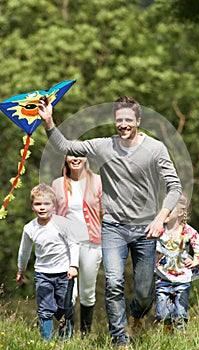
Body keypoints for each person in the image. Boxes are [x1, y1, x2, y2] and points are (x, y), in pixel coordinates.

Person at [38, 95, 182, 348]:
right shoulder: (103, 146)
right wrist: (49, 121)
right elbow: (64, 147)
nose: (123, 124)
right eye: (119, 120)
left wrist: (161, 218)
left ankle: (137, 314)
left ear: (138, 120)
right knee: (114, 282)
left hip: (146, 229)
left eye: (128, 120)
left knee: (144, 292)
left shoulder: (156, 149)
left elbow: (174, 187)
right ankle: (120, 339)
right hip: (113, 226)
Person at [16, 184, 79, 342]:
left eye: (46, 204)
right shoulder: (29, 228)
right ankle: (48, 343)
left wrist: (73, 266)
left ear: (54, 206)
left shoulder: (62, 224)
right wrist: (21, 270)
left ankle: (64, 342)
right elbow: (24, 251)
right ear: (32, 206)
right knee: (44, 310)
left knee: (63, 310)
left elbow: (74, 244)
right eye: (38, 204)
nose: (42, 207)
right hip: (43, 274)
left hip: (65, 274)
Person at [51, 154, 103, 337]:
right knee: (68, 290)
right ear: (65, 158)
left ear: (85, 157)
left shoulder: (97, 181)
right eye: (71, 154)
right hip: (66, 244)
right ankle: (67, 334)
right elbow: (52, 214)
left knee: (87, 290)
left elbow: (107, 210)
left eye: (79, 154)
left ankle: (85, 334)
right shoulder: (57, 184)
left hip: (91, 242)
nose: (75, 158)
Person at [154, 194, 199, 333]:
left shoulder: (189, 232)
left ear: (180, 212)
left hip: (182, 279)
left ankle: (181, 339)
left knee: (181, 314)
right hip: (162, 277)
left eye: (168, 208)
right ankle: (168, 330)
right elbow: (147, 250)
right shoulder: (159, 230)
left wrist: (196, 260)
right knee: (162, 314)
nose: (164, 211)